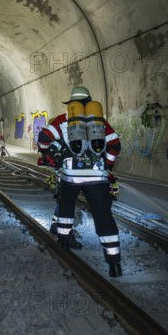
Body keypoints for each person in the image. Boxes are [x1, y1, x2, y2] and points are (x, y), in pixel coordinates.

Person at [37, 86, 122, 277]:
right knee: (103, 216)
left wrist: (48, 154)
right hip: (97, 178)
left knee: (66, 208)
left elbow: (43, 138)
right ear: (90, 101)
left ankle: (65, 243)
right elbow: (115, 145)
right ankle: (114, 262)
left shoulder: (62, 120)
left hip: (70, 176)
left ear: (71, 104)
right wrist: (107, 164)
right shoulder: (99, 122)